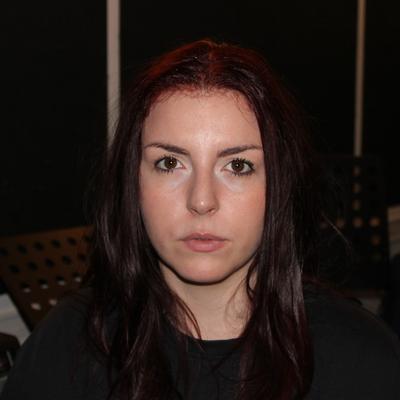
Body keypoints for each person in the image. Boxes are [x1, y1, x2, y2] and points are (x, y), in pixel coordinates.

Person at [2, 39, 400, 400]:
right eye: (169, 163)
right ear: (132, 182)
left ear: (279, 183)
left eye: (238, 165)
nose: (202, 201)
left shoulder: (368, 362)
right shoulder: (63, 347)